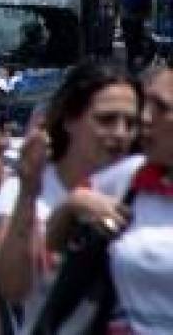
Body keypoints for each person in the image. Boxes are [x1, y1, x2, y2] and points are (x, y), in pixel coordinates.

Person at [0, 62, 140, 328]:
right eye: (106, 120)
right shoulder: (24, 188)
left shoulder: (141, 191)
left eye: (130, 123)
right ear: (70, 119)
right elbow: (12, 288)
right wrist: (34, 193)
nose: (121, 134)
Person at [51, 66, 173, 335]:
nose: (145, 118)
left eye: (161, 108)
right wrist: (72, 206)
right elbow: (50, 246)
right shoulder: (127, 177)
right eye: (146, 103)